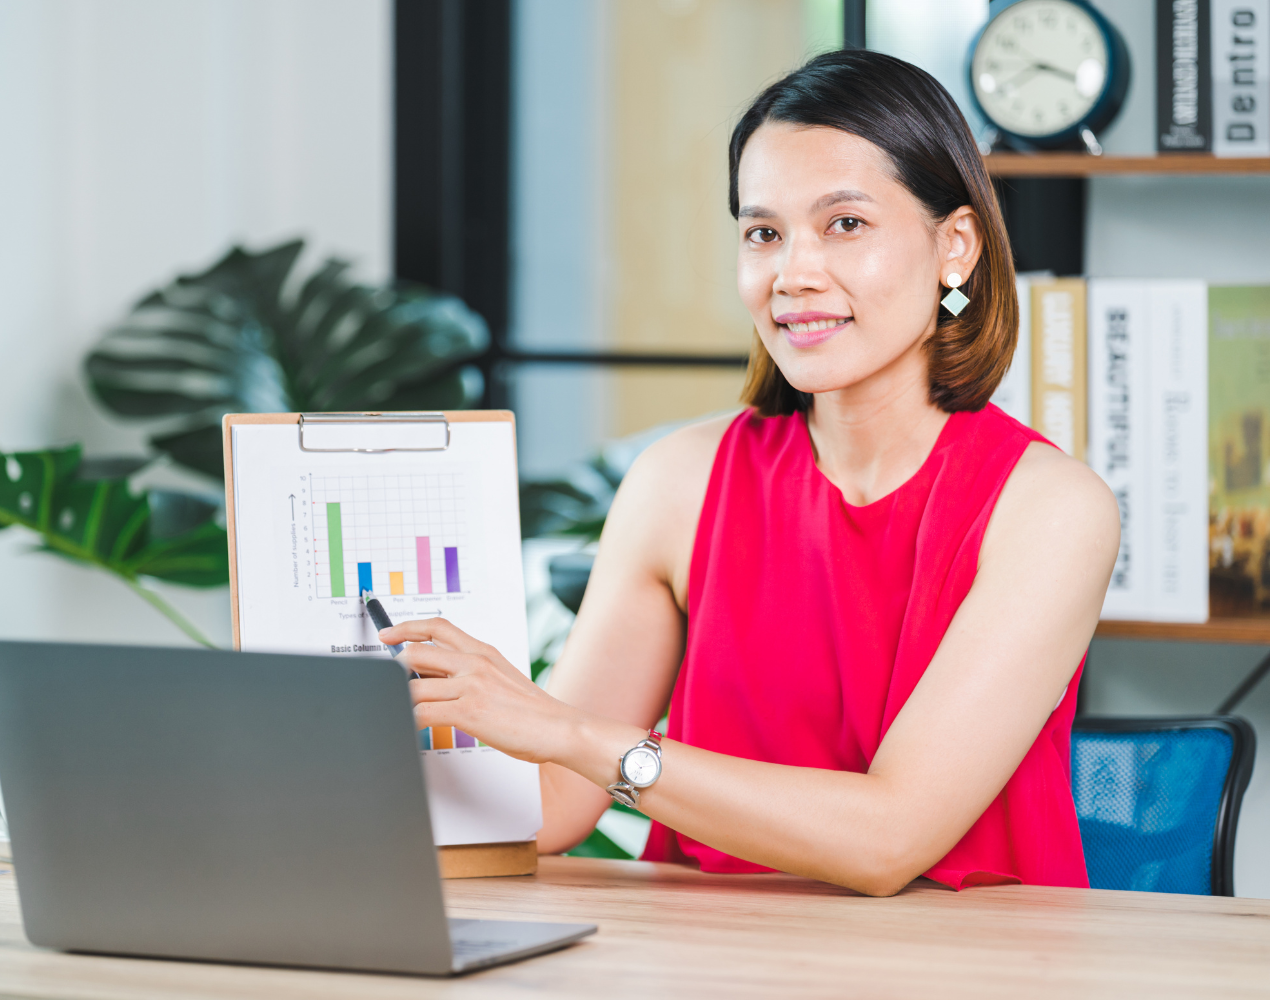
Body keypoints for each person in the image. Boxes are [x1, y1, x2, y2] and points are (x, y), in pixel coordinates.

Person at [379, 50, 1119, 897]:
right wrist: (365, 712)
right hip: (713, 959)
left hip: (962, 969)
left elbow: (889, 840)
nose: (793, 274)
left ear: (955, 246)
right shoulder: (678, 485)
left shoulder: (1050, 510)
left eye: (846, 224)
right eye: (764, 232)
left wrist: (566, 729)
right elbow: (551, 804)